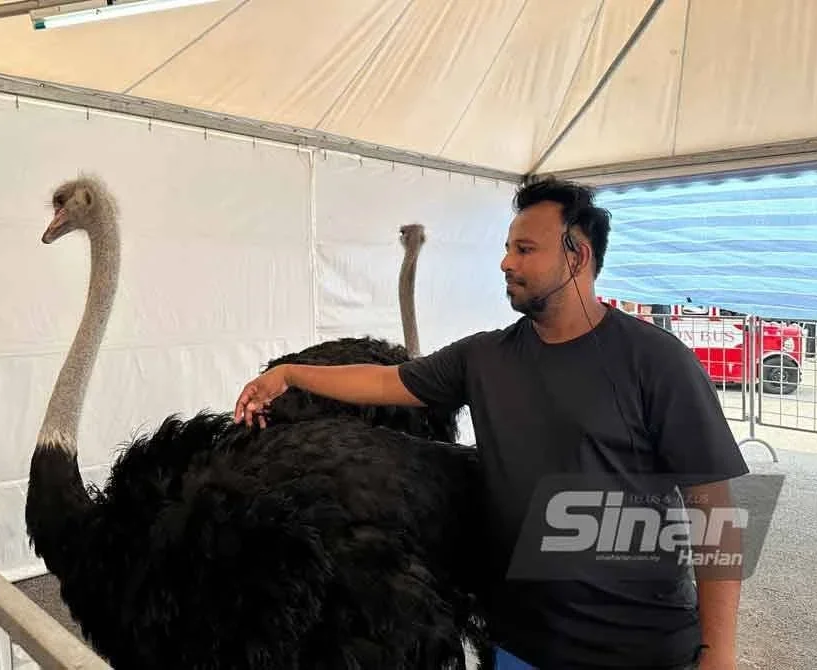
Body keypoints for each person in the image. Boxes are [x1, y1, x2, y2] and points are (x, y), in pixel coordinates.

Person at [233, 175, 749, 670]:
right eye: (508, 247)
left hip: (638, 648)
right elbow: (384, 382)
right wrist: (290, 375)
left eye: (525, 249)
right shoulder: (483, 358)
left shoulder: (655, 360)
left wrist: (718, 653)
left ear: (578, 256)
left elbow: (712, 511)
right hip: (522, 642)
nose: (506, 262)